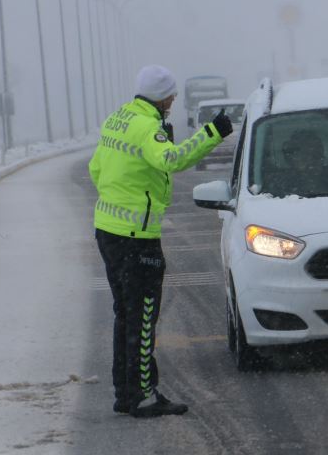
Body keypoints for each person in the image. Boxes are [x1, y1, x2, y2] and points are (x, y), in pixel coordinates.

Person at [89, 64, 233, 418]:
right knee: (142, 316)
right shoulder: (146, 127)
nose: (172, 101)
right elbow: (172, 159)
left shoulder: (118, 119)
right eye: (171, 95)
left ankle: (125, 393)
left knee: (125, 314)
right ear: (163, 96)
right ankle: (142, 395)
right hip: (136, 238)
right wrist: (213, 132)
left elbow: (96, 168)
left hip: (109, 231)